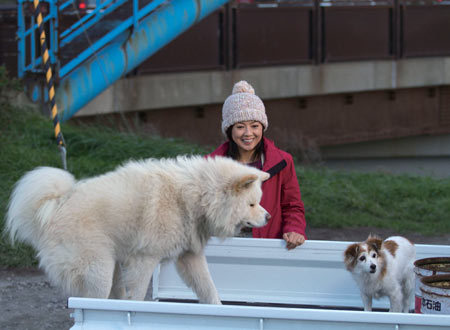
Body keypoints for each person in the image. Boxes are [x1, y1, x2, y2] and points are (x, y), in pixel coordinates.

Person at [208, 80, 307, 249]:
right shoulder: (210, 166)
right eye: (240, 127)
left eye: (254, 126)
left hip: (268, 247)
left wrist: (294, 229)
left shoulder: (282, 162)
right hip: (221, 249)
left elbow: (292, 206)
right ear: (229, 130)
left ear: (263, 127)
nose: (248, 133)